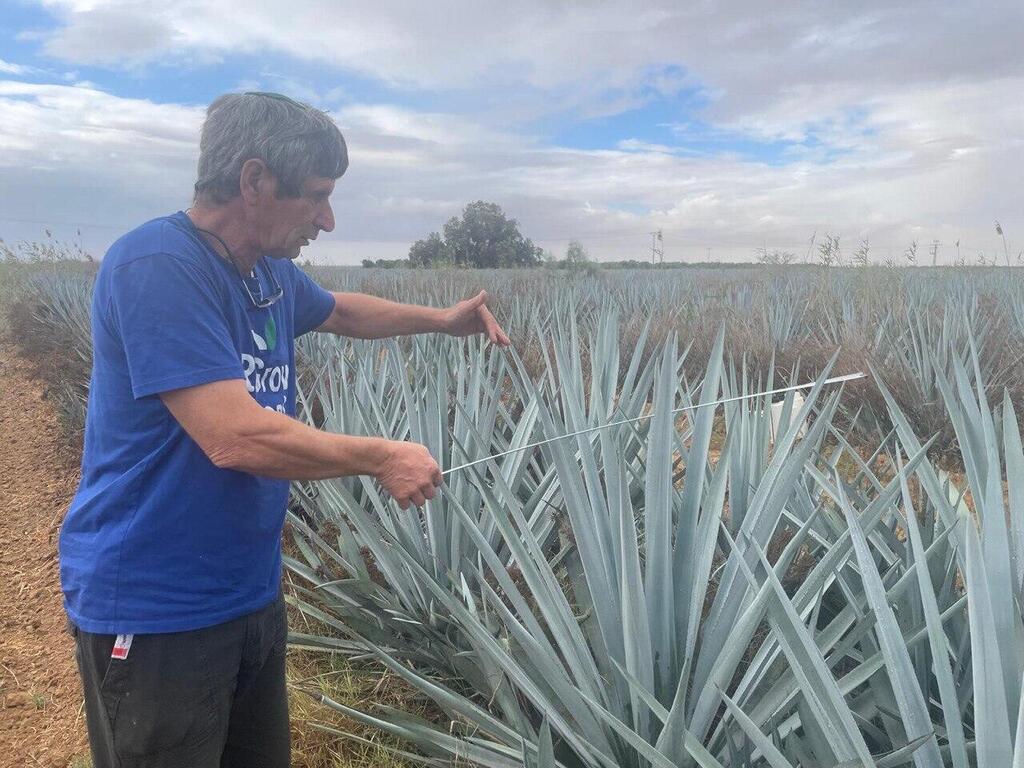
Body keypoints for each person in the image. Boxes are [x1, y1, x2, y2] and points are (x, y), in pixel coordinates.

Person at [59, 91, 511, 768]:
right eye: (318, 196)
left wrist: (442, 321)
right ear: (254, 180)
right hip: (156, 606)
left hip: (247, 592)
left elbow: (342, 312)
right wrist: (381, 456)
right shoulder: (157, 265)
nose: (327, 219)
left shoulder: (266, 272)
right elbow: (234, 437)